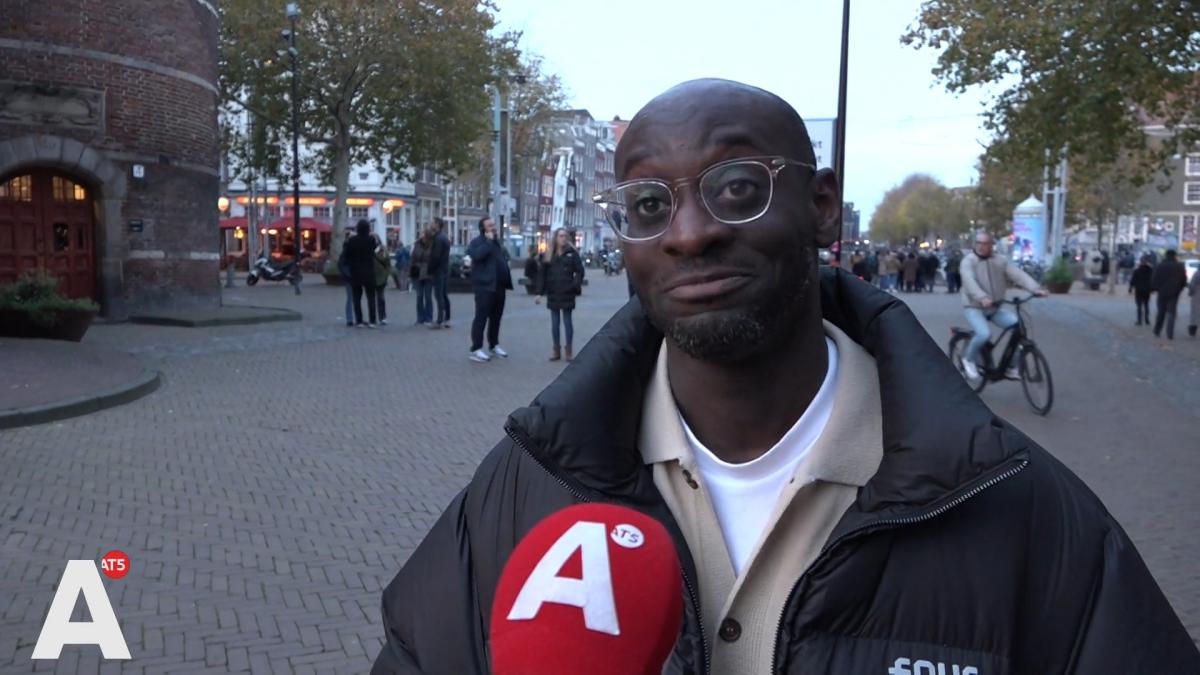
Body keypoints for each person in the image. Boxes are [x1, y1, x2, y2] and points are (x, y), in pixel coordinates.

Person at [371, 79, 1199, 674]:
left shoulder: (1016, 508)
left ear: (823, 206)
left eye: (736, 187)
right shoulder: (523, 488)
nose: (688, 233)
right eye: (649, 205)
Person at [958, 231, 1046, 380]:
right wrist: (982, 297)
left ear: (992, 245)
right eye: (978, 243)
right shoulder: (968, 261)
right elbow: (969, 281)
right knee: (984, 334)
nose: (981, 246)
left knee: (1018, 328)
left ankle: (1011, 367)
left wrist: (1035, 289)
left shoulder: (1001, 261)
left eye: (985, 244)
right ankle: (968, 359)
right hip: (974, 307)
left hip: (994, 307)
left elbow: (1018, 275)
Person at [465, 217, 513, 362]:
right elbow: (476, 255)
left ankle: (494, 344)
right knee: (481, 317)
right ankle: (476, 348)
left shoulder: (496, 243)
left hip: (499, 286)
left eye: (494, 225)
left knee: (496, 318)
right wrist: (488, 242)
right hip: (484, 287)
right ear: (483, 229)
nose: (493, 227)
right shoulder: (477, 242)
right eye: (490, 225)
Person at [535, 227, 585, 361]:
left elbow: (580, 271)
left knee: (567, 322)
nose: (563, 238)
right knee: (555, 323)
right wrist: (539, 293)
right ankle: (556, 350)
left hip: (568, 292)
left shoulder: (572, 254)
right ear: (556, 238)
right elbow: (542, 275)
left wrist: (575, 285)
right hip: (553, 291)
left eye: (565, 236)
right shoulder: (549, 255)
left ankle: (569, 350)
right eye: (561, 236)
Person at [342, 219, 379, 327]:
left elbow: (347, 255)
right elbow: (377, 247)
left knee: (356, 298)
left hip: (356, 272)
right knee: (371, 298)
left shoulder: (352, 241)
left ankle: (359, 320)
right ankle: (372, 321)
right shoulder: (371, 240)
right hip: (369, 272)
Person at [1151, 249, 1188, 339]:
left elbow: (1155, 278)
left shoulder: (1160, 265)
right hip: (1174, 292)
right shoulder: (1179, 266)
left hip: (1162, 292)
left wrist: (1156, 288)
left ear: (1166, 256)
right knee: (1172, 312)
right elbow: (1184, 279)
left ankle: (1157, 330)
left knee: (1161, 311)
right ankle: (1170, 333)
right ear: (1174, 256)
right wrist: (1180, 288)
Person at [428, 217, 452, 329]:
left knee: (439, 295)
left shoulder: (438, 239)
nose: (431, 225)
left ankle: (440, 320)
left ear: (437, 225)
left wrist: (430, 269)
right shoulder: (444, 238)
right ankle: (447, 318)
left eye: (432, 223)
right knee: (444, 295)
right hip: (444, 269)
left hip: (438, 271)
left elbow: (435, 257)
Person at [409, 228, 434, 325]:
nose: (421, 235)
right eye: (421, 233)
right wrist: (410, 272)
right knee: (419, 296)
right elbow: (412, 258)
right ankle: (420, 318)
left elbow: (434, 258)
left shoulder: (432, 245)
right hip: (417, 273)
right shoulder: (417, 244)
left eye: (423, 233)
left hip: (428, 273)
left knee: (428, 296)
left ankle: (429, 318)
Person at [337, 227, 355, 327]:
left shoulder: (349, 249)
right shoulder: (346, 250)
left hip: (354, 276)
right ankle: (350, 318)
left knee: (353, 298)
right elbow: (342, 264)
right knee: (351, 298)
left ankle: (353, 318)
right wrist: (348, 274)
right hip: (350, 277)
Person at [1129, 254, 1154, 326]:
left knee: (1139, 306)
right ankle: (1147, 320)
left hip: (1139, 290)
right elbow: (1152, 280)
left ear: (1140, 262)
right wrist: (1152, 288)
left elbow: (1133, 280)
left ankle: (1139, 320)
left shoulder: (1137, 270)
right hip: (1147, 290)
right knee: (1146, 305)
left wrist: (1130, 288)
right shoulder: (1150, 270)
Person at [372, 236, 391, 325]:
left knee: (380, 298)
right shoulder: (368, 249)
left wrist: (386, 274)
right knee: (371, 299)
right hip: (371, 277)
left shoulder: (382, 250)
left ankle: (382, 317)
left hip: (381, 278)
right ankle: (372, 318)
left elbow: (387, 263)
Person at [1188, 265, 1200, 338]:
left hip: (1197, 294)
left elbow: (1192, 284)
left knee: (1195, 313)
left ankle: (1193, 330)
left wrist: (1190, 292)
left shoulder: (1197, 273)